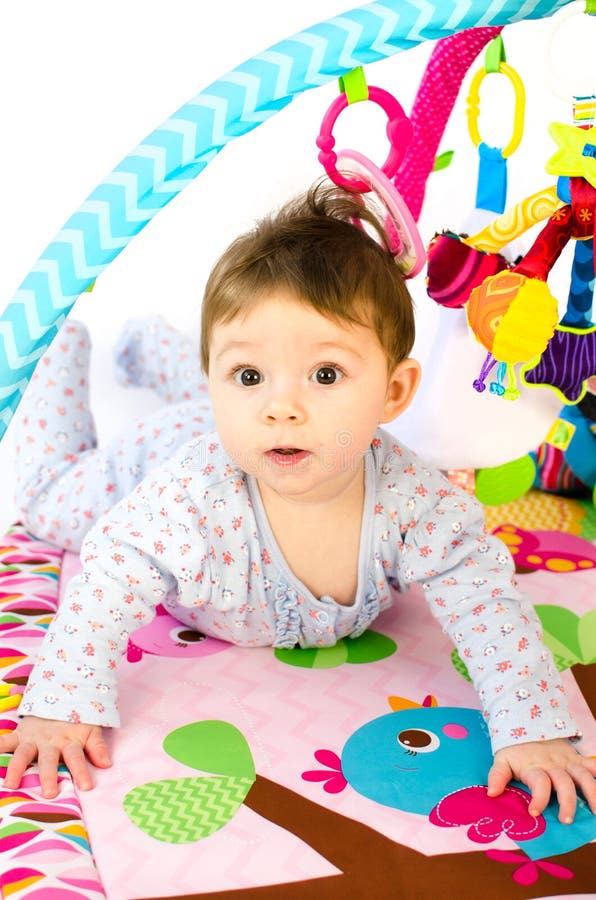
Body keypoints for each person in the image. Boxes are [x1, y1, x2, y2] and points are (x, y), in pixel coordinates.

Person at [2, 183, 595, 826]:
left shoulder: (414, 500)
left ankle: (156, 349)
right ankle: (58, 353)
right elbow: (107, 581)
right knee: (46, 502)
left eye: (327, 375)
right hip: (150, 455)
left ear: (394, 392)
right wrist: (63, 703)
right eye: (249, 376)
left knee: (230, 414)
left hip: (221, 425)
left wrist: (530, 724)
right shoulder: (183, 499)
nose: (284, 405)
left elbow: (488, 604)